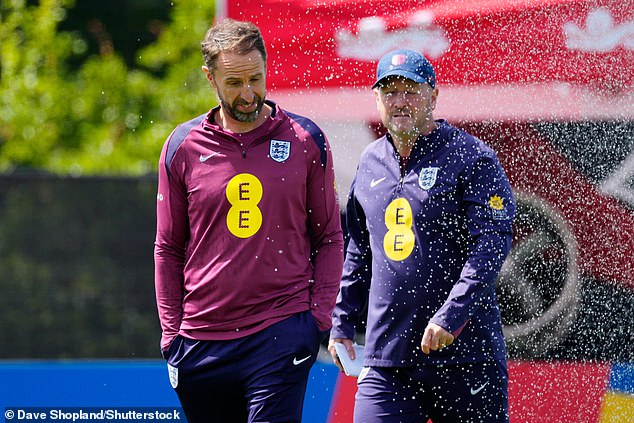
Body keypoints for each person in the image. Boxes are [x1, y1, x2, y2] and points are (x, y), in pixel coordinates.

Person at [154, 18, 344, 423]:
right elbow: (168, 247)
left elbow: (329, 237)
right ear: (210, 78)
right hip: (201, 341)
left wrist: (317, 321)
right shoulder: (181, 147)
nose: (248, 93)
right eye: (234, 82)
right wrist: (172, 335)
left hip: (281, 331)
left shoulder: (304, 140)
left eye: (255, 79)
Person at [328, 49, 516, 423]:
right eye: (390, 91)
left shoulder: (471, 157)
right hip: (388, 360)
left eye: (410, 90)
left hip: (465, 356)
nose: (400, 101)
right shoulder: (369, 161)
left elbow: (492, 243)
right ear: (376, 99)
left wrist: (452, 316)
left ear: (433, 95)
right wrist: (343, 320)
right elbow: (358, 251)